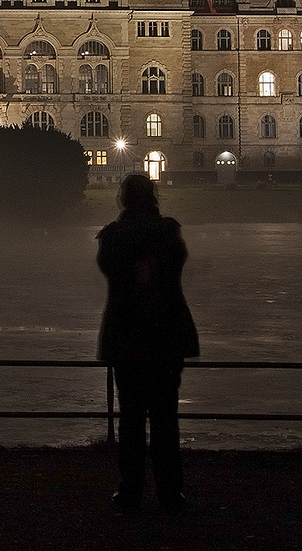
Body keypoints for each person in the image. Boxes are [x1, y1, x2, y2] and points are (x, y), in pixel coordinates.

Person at [96, 173, 199, 513]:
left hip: (127, 333)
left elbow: (110, 270)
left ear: (123, 199)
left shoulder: (112, 236)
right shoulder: (168, 231)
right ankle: (171, 492)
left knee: (131, 417)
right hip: (167, 332)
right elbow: (174, 269)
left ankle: (130, 491)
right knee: (166, 417)